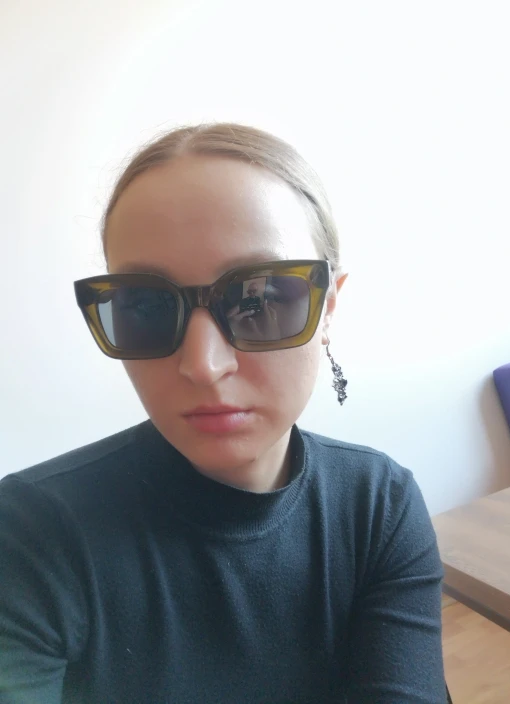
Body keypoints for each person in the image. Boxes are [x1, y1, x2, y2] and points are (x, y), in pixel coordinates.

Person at [0, 123, 447, 703]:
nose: (203, 366)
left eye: (258, 299)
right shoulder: (31, 535)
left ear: (328, 308)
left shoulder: (378, 506)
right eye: (144, 305)